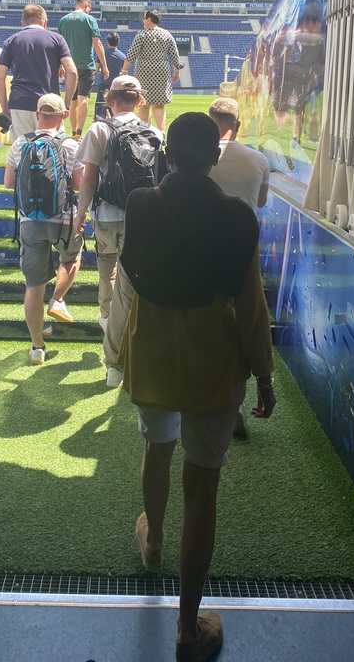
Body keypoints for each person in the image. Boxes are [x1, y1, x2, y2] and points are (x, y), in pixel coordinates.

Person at [117, 113, 276, 662]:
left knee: (156, 448)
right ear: (215, 156)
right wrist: (264, 372)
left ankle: (154, 541)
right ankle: (188, 629)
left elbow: (127, 280)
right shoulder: (237, 219)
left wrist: (117, 350)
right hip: (214, 364)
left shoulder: (141, 205)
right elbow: (251, 306)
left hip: (154, 357)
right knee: (201, 489)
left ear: (167, 154)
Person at [75, 75, 162, 387]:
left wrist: (80, 213)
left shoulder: (100, 128)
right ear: (139, 100)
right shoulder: (154, 131)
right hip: (141, 218)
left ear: (109, 100)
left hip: (107, 216)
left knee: (107, 272)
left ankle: (110, 341)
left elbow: (88, 179)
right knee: (131, 287)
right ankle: (125, 351)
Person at [3, 93, 84, 364]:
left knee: (33, 286)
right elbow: (79, 184)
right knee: (73, 257)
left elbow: (7, 183)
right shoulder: (70, 145)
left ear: (38, 115)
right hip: (62, 221)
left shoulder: (19, 143)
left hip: (29, 222)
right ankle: (58, 298)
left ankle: (37, 347)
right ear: (62, 117)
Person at [0, 3, 78, 142]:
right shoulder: (57, 39)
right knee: (52, 151)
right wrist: (67, 105)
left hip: (20, 102)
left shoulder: (11, 41)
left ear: (22, 23)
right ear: (45, 22)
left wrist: (5, 108)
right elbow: (72, 72)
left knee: (22, 152)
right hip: (49, 104)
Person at [121, 9, 181, 131]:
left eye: (144, 18)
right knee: (159, 105)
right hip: (161, 71)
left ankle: (144, 132)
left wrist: (124, 71)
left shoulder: (142, 34)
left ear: (149, 19)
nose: (143, 20)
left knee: (143, 104)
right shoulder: (167, 34)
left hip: (144, 71)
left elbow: (131, 54)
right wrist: (176, 72)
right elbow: (175, 56)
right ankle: (161, 132)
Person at [58, 0, 109, 137]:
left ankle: (73, 132)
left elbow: (59, 46)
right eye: (90, 8)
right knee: (83, 98)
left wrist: (60, 66)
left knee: (72, 101)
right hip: (86, 65)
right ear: (86, 5)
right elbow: (97, 43)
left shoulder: (63, 20)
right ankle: (79, 133)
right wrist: (104, 65)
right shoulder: (90, 20)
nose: (90, 11)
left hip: (69, 66)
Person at [208, 97, 270, 210]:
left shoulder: (200, 158)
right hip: (246, 226)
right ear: (238, 125)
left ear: (210, 124)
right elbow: (260, 202)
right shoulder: (260, 159)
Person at [94, 31, 126, 118]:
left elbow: (97, 69)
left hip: (103, 84)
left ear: (107, 42)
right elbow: (124, 73)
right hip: (115, 86)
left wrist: (102, 70)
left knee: (100, 110)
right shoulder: (122, 56)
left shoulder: (102, 53)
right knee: (114, 108)